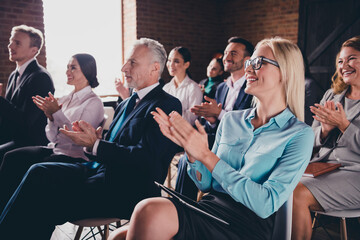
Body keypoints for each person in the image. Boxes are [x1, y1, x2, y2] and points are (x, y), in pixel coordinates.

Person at [109, 37, 314, 240]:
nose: (249, 69)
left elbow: (266, 204)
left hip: (246, 227)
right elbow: (205, 185)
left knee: (149, 209)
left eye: (258, 63)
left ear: (285, 73)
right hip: (208, 210)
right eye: (250, 62)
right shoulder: (231, 120)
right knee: (120, 235)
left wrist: (206, 155)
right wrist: (192, 152)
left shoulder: (299, 135)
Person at [0, 38, 182, 240]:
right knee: (38, 172)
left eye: (132, 62)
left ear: (154, 68)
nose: (124, 67)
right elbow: (109, 146)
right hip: (98, 173)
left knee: (42, 197)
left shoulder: (167, 104)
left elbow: (147, 159)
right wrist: (92, 143)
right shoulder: (126, 103)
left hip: (125, 189)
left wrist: (96, 145)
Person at [0, 53, 104, 210]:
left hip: (75, 158)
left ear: (87, 71)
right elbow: (51, 136)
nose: (67, 71)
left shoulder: (94, 102)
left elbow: (78, 139)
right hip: (55, 149)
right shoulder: (64, 99)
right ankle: (4, 210)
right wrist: (50, 117)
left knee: (31, 168)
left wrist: (56, 114)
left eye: (73, 67)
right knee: (11, 157)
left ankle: (17, 215)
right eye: (67, 67)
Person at [292, 36, 360, 240]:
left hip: (356, 173)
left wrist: (344, 125)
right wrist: (325, 130)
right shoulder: (332, 95)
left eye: (352, 59)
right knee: (278, 183)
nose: (344, 65)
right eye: (340, 61)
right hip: (324, 168)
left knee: (296, 193)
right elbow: (310, 138)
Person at [175, 37, 255, 200]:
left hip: (239, 146)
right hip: (217, 140)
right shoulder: (221, 88)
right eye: (226, 53)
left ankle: (183, 208)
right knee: (188, 155)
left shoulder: (253, 87)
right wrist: (211, 119)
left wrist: (219, 114)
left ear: (247, 60)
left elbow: (249, 125)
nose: (226, 57)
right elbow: (214, 126)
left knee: (187, 158)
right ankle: (181, 207)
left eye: (233, 53)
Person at [0, 25, 55, 161]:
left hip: (31, 141)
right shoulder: (14, 75)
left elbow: (25, 122)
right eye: (11, 41)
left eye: (17, 43)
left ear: (33, 51)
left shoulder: (41, 77)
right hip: (13, 137)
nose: (10, 46)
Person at [163, 46, 203, 125]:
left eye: (176, 61)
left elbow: (191, 119)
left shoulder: (194, 88)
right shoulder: (166, 88)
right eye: (169, 60)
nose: (171, 64)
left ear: (186, 64)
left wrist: (168, 116)